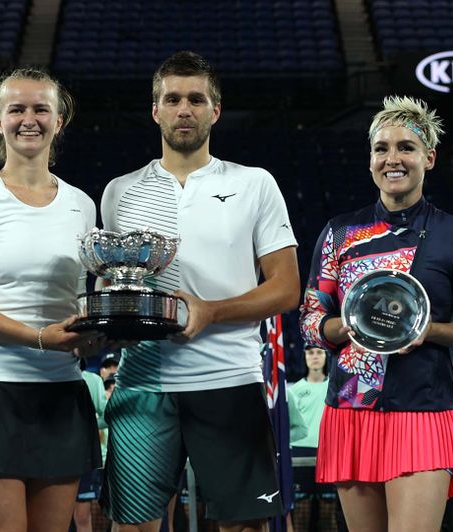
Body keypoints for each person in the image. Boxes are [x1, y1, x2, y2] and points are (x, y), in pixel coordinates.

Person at [97, 51, 300, 532]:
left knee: (244, 527)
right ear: (155, 110)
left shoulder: (254, 184)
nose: (183, 108)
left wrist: (210, 311)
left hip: (228, 378)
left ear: (215, 110)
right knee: (133, 527)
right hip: (143, 382)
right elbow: (113, 284)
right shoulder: (119, 191)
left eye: (195, 98)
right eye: (172, 99)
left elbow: (287, 288)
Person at [300, 95, 453, 532]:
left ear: (429, 156)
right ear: (370, 159)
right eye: (381, 148)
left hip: (423, 411)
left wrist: (428, 332)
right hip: (353, 407)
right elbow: (311, 319)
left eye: (405, 147)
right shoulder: (340, 232)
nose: (393, 158)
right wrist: (347, 326)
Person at [0, 67, 102, 532]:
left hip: (60, 390)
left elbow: (81, 299)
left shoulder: (82, 205)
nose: (30, 119)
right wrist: (39, 338)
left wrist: (93, 335)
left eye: (41, 109)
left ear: (59, 120)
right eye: (17, 109)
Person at [288, 346, 336, 532]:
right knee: (302, 512)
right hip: (300, 454)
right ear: (305, 357)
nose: (315, 357)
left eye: (319, 352)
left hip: (328, 453)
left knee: (328, 511)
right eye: (310, 353)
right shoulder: (295, 390)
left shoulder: (335, 388)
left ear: (325, 356)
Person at [73, 363, 108, 532]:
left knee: (82, 516)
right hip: (52, 454)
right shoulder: (47, 374)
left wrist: (88, 425)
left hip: (83, 456)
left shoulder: (93, 380)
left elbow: (105, 415)